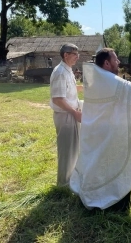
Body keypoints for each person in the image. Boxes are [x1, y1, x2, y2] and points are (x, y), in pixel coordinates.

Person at [69, 48, 131, 211]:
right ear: (107, 63)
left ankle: (95, 196)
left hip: (96, 132)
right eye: (115, 60)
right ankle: (118, 205)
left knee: (97, 165)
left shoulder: (95, 80)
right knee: (119, 165)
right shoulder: (112, 80)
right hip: (114, 134)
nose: (119, 63)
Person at [49, 44, 82, 187]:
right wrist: (74, 112)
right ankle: (63, 184)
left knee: (73, 149)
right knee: (67, 151)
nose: (77, 57)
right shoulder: (60, 72)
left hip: (71, 114)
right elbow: (58, 99)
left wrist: (88, 88)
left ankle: (70, 180)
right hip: (66, 115)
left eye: (77, 54)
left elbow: (70, 89)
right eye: (74, 54)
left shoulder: (67, 71)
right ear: (66, 55)